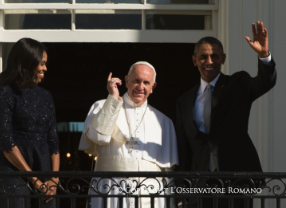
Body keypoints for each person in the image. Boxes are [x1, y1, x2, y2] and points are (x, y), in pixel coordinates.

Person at [175, 21, 276, 208]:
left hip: (236, 180)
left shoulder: (238, 84)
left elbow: (264, 83)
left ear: (223, 58)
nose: (209, 61)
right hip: (200, 185)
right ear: (194, 60)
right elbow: (185, 150)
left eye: (215, 56)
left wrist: (264, 56)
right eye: (203, 57)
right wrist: (181, 194)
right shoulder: (184, 101)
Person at [79, 61, 179, 208]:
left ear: (153, 87)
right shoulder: (102, 106)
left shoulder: (164, 122)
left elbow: (168, 173)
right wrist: (113, 99)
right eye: (136, 81)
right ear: (126, 81)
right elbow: (98, 137)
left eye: (146, 83)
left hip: (151, 195)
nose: (140, 87)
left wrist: (173, 202)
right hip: (111, 190)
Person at [0, 38, 60, 208]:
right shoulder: (3, 94)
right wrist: (34, 180)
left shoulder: (46, 96)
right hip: (13, 170)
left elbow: (53, 141)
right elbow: (6, 143)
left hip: (43, 167)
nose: (46, 68)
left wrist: (54, 179)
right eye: (42, 63)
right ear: (27, 62)